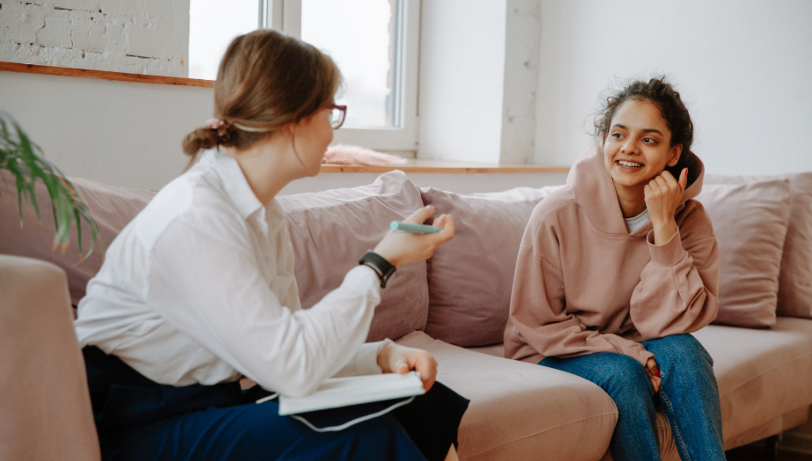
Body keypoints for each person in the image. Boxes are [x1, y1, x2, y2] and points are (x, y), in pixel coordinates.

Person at [75, 29, 468, 461]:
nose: (333, 132)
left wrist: (381, 355)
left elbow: (288, 341)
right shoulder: (197, 216)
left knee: (422, 400)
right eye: (330, 111)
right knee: (359, 436)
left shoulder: (264, 212)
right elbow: (292, 368)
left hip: (205, 401)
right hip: (133, 423)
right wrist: (379, 262)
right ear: (293, 119)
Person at [504, 77, 725, 461]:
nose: (628, 148)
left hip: (637, 340)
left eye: (649, 140)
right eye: (618, 134)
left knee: (686, 352)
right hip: (553, 349)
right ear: (603, 140)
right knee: (624, 374)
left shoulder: (690, 219)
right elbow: (537, 322)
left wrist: (664, 229)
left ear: (674, 153)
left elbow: (680, 321)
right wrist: (631, 352)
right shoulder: (555, 215)